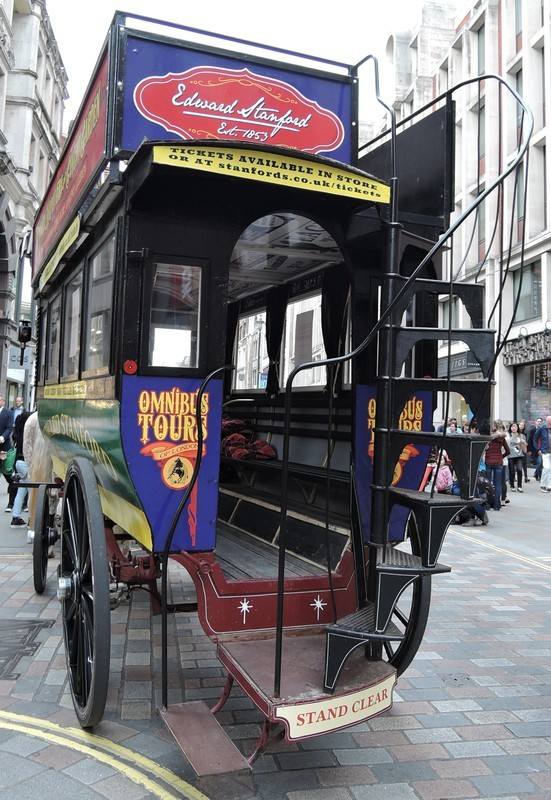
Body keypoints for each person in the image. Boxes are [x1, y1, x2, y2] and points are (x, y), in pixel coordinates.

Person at [484, 422, 510, 510]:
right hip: (498, 462)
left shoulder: (487, 438)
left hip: (488, 461)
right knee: (498, 484)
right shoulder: (502, 438)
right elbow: (508, 451)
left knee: (488, 483)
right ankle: (497, 505)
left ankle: (488, 504)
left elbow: (484, 449)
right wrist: (501, 457)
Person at [507, 421, 527, 492]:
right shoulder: (508, 435)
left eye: (515, 426)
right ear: (510, 428)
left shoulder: (522, 436)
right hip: (510, 456)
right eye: (512, 426)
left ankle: (519, 486)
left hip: (519, 456)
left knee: (519, 470)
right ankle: (512, 485)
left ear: (517, 428)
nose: (513, 428)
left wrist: (522, 443)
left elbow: (525, 449)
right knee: (512, 471)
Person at [535, 415, 551, 493]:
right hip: (545, 451)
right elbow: (535, 438)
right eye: (549, 420)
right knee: (547, 468)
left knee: (550, 469)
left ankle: (549, 485)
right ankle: (543, 485)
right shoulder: (542, 428)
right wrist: (538, 449)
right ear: (547, 421)